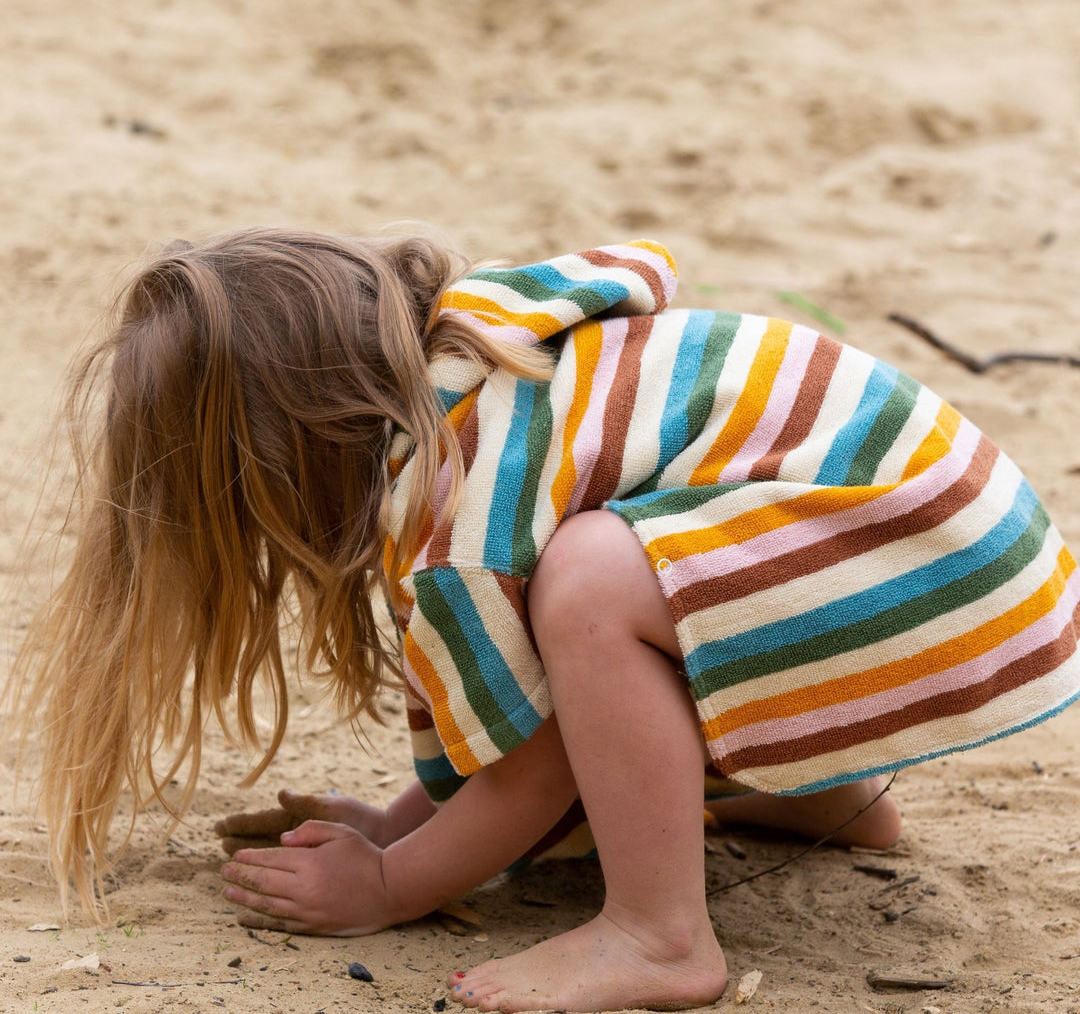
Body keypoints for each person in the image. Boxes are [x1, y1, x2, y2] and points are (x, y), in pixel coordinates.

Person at [11, 227, 1078, 1013]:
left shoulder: (456, 510)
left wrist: (394, 878)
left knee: (596, 587)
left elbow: (543, 756)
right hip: (962, 551)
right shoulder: (484, 362)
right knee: (634, 578)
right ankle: (827, 800)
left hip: (931, 562)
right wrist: (404, 817)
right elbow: (554, 716)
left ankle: (659, 936)